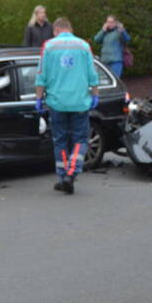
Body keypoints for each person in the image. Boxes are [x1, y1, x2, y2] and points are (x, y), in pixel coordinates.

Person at [35, 16, 100, 195]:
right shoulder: (83, 46)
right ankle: (72, 174)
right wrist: (95, 93)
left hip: (57, 102)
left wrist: (39, 98)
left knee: (60, 140)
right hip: (80, 102)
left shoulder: (48, 46)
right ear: (70, 29)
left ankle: (63, 177)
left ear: (56, 30)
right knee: (80, 139)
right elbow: (92, 74)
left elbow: (41, 75)